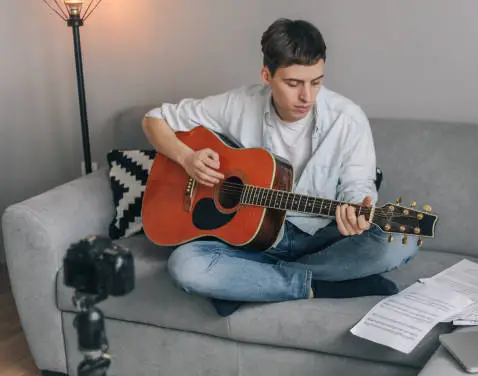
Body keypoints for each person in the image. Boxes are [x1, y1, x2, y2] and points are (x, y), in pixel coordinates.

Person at [142, 18, 419, 316]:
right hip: (253, 240)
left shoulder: (347, 119)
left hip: (319, 238)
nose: (307, 97)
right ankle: (319, 285)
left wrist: (356, 212)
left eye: (316, 82)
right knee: (185, 266)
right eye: (293, 83)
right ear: (266, 75)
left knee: (402, 242)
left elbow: (358, 186)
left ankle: (250, 282)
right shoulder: (237, 104)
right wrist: (187, 158)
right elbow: (154, 120)